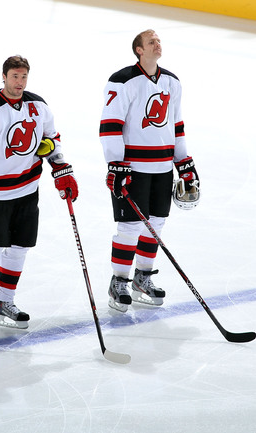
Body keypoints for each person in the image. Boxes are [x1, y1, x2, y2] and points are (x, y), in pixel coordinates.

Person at [0, 55, 78, 330]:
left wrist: (61, 167)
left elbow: (51, 138)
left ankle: (4, 302)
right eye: (14, 76)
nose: (19, 82)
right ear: (4, 76)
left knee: (18, 250)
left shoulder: (38, 105)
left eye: (24, 77)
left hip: (27, 191)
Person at [99, 29, 200, 313]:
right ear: (139, 50)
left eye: (158, 41)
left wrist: (184, 163)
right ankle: (119, 281)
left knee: (155, 224)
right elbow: (110, 125)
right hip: (133, 168)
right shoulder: (122, 80)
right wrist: (116, 164)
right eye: (151, 41)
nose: (157, 44)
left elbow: (177, 126)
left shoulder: (172, 82)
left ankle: (142, 278)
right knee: (130, 227)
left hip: (163, 167)